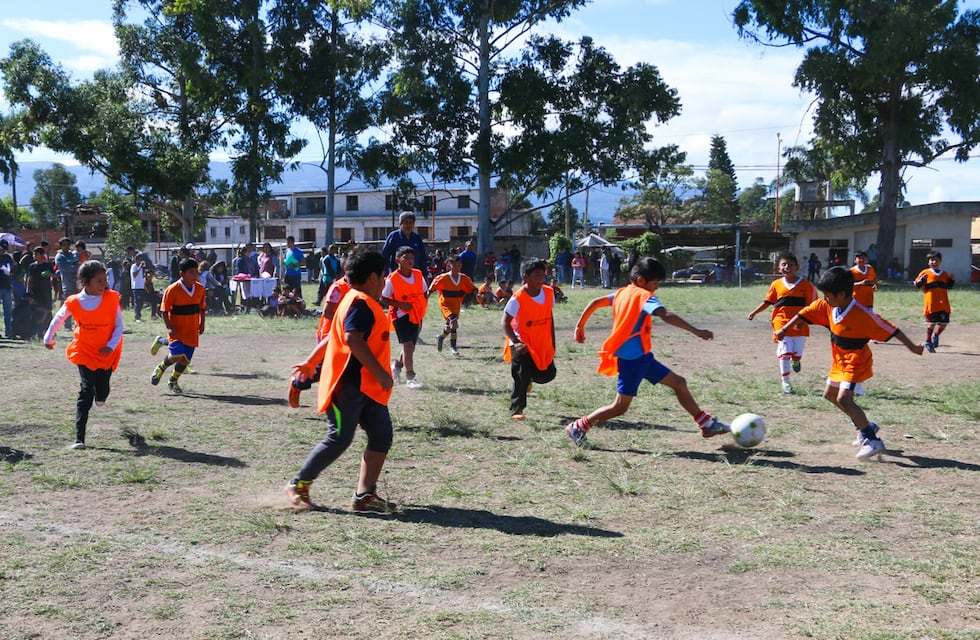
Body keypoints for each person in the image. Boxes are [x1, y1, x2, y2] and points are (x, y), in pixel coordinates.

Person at [566, 257, 730, 449]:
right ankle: (578, 427)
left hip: (642, 359)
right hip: (632, 362)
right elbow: (665, 315)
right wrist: (697, 331)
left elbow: (595, 302)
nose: (657, 287)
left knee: (679, 382)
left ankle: (706, 424)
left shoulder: (622, 293)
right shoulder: (645, 297)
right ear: (642, 281)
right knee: (619, 407)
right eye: (655, 283)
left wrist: (580, 326)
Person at [284, 250, 397, 513]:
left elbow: (331, 337)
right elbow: (351, 339)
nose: (384, 282)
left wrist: (312, 361)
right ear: (372, 277)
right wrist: (381, 373)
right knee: (339, 437)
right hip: (346, 387)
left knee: (381, 435)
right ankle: (297, 484)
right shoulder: (359, 303)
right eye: (383, 277)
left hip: (367, 388)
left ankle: (364, 495)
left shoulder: (356, 300)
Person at [777, 266, 924, 460]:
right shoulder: (829, 305)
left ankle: (874, 441)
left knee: (844, 399)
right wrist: (786, 328)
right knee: (830, 395)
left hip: (856, 359)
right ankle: (866, 426)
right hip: (839, 359)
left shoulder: (863, 315)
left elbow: (891, 329)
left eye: (828, 295)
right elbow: (806, 312)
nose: (825, 299)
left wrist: (913, 347)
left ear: (843, 294)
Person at [43, 260, 124, 449]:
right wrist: (48, 338)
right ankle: (79, 438)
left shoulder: (111, 298)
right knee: (86, 391)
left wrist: (111, 346)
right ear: (85, 281)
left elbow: (119, 326)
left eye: (104, 280)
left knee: (102, 390)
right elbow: (59, 317)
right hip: (84, 350)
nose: (103, 284)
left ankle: (101, 395)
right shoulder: (74, 301)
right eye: (98, 281)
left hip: (106, 351)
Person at [747, 253, 818, 394]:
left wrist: (804, 321)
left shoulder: (805, 285)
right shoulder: (776, 284)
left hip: (798, 322)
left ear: (797, 267)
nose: (787, 267)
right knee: (785, 351)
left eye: (790, 264)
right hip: (780, 321)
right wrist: (754, 312)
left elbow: (811, 306)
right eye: (783, 264)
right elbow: (767, 302)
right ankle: (786, 383)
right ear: (779, 268)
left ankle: (796, 360)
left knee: (797, 352)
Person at [501, 258, 557, 420]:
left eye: (543, 275)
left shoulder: (548, 292)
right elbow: (505, 321)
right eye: (537, 275)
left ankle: (529, 380)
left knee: (548, 374)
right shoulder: (518, 298)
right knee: (520, 375)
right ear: (526, 277)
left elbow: (549, 316)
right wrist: (516, 343)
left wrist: (552, 341)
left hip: (541, 341)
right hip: (521, 342)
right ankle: (517, 409)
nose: (541, 279)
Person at [150, 258, 207, 394]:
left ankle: (173, 380)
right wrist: (169, 327)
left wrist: (202, 323)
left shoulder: (199, 288)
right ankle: (160, 368)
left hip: (191, 329)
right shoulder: (173, 289)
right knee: (176, 354)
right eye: (191, 273)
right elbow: (164, 311)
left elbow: (202, 308)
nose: (195, 276)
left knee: (185, 359)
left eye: (196, 273)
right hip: (177, 330)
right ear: (182, 274)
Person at [381, 246, 428, 388]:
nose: (409, 261)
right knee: (407, 346)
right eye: (405, 258)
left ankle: (396, 366)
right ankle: (410, 377)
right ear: (397, 260)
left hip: (416, 315)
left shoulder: (418, 274)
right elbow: (383, 298)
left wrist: (421, 305)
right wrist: (401, 304)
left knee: (410, 347)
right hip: (400, 316)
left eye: (412, 258)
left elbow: (425, 292)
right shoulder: (392, 279)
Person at [429, 254, 477, 357]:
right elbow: (432, 287)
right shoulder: (444, 278)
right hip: (445, 304)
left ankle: (441, 337)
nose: (457, 267)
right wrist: (427, 295)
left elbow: (472, 288)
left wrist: (475, 293)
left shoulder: (463, 278)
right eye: (455, 265)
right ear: (450, 265)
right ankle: (453, 347)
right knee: (454, 323)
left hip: (455, 304)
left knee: (449, 327)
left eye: (459, 265)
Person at [912, 250, 955, 353]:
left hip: (943, 303)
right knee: (931, 323)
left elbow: (949, 286)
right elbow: (917, 284)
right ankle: (927, 341)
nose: (934, 262)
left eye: (936, 260)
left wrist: (952, 280)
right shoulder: (925, 273)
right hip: (931, 303)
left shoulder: (944, 274)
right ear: (928, 262)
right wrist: (920, 281)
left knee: (944, 323)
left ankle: (936, 335)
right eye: (932, 260)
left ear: (940, 262)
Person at [381, 211, 428, 276]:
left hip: (414, 276)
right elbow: (385, 256)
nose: (408, 225)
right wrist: (385, 273)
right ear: (400, 223)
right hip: (397, 275)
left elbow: (423, 257)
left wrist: (424, 275)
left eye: (411, 223)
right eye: (406, 222)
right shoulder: (393, 237)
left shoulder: (417, 238)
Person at [0, 239, 13, 338]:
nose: (3, 251)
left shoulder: (7, 257)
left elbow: (12, 268)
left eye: (4, 249)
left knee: (7, 312)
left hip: (7, 287)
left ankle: (8, 332)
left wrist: (10, 270)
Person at [130, 253, 147, 322]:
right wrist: (140, 267)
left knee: (141, 302)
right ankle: (137, 316)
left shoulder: (141, 268)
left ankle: (139, 315)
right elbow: (134, 275)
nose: (141, 261)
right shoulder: (134, 266)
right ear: (136, 260)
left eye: (141, 260)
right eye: (140, 259)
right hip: (136, 286)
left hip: (141, 286)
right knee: (137, 302)